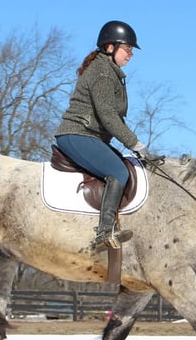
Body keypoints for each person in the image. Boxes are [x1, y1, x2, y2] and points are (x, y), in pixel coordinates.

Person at [54, 20, 160, 251]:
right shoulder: (102, 72)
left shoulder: (112, 73)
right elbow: (108, 116)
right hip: (77, 133)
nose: (130, 55)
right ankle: (104, 232)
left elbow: (114, 118)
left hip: (90, 136)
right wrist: (135, 144)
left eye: (132, 51)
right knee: (118, 171)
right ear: (110, 47)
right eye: (127, 49)